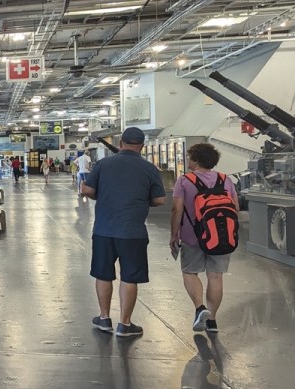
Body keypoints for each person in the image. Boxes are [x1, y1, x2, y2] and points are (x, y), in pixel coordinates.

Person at [81, 127, 166, 337]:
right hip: (133, 231)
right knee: (129, 277)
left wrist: (103, 195)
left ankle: (104, 318)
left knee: (103, 274)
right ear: (142, 146)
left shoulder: (103, 164)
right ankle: (125, 324)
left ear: (120, 144)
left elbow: (88, 190)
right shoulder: (149, 168)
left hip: (104, 230)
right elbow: (160, 200)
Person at [169, 143, 238, 334]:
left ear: (196, 160)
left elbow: (177, 210)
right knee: (215, 276)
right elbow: (235, 209)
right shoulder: (226, 180)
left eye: (190, 157)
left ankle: (200, 308)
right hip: (221, 236)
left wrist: (174, 235)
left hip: (193, 237)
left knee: (190, 273)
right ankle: (212, 321)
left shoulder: (185, 181)